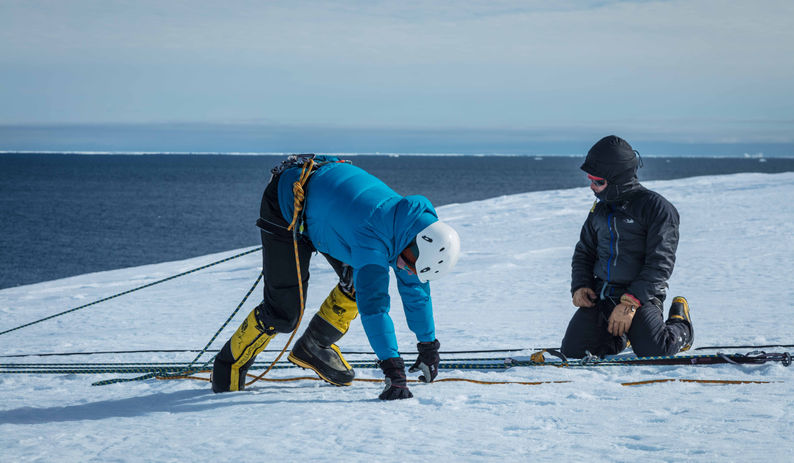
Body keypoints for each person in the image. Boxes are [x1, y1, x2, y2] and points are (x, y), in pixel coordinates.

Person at [211, 154, 461, 400]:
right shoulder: (373, 240)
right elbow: (374, 308)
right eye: (409, 265)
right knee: (284, 313)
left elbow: (415, 291)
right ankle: (227, 367)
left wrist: (428, 347)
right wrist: (393, 371)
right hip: (288, 202)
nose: (407, 271)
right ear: (413, 247)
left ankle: (314, 347)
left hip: (327, 212)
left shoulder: (414, 229)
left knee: (355, 284)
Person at [561, 135, 693, 359]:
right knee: (573, 353)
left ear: (617, 180)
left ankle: (681, 325)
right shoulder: (599, 210)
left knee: (654, 351)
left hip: (641, 297)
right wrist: (580, 286)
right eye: (590, 180)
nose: (592, 187)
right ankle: (622, 336)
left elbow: (660, 264)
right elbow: (584, 252)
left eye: (598, 181)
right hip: (602, 296)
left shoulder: (657, 208)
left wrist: (631, 302)